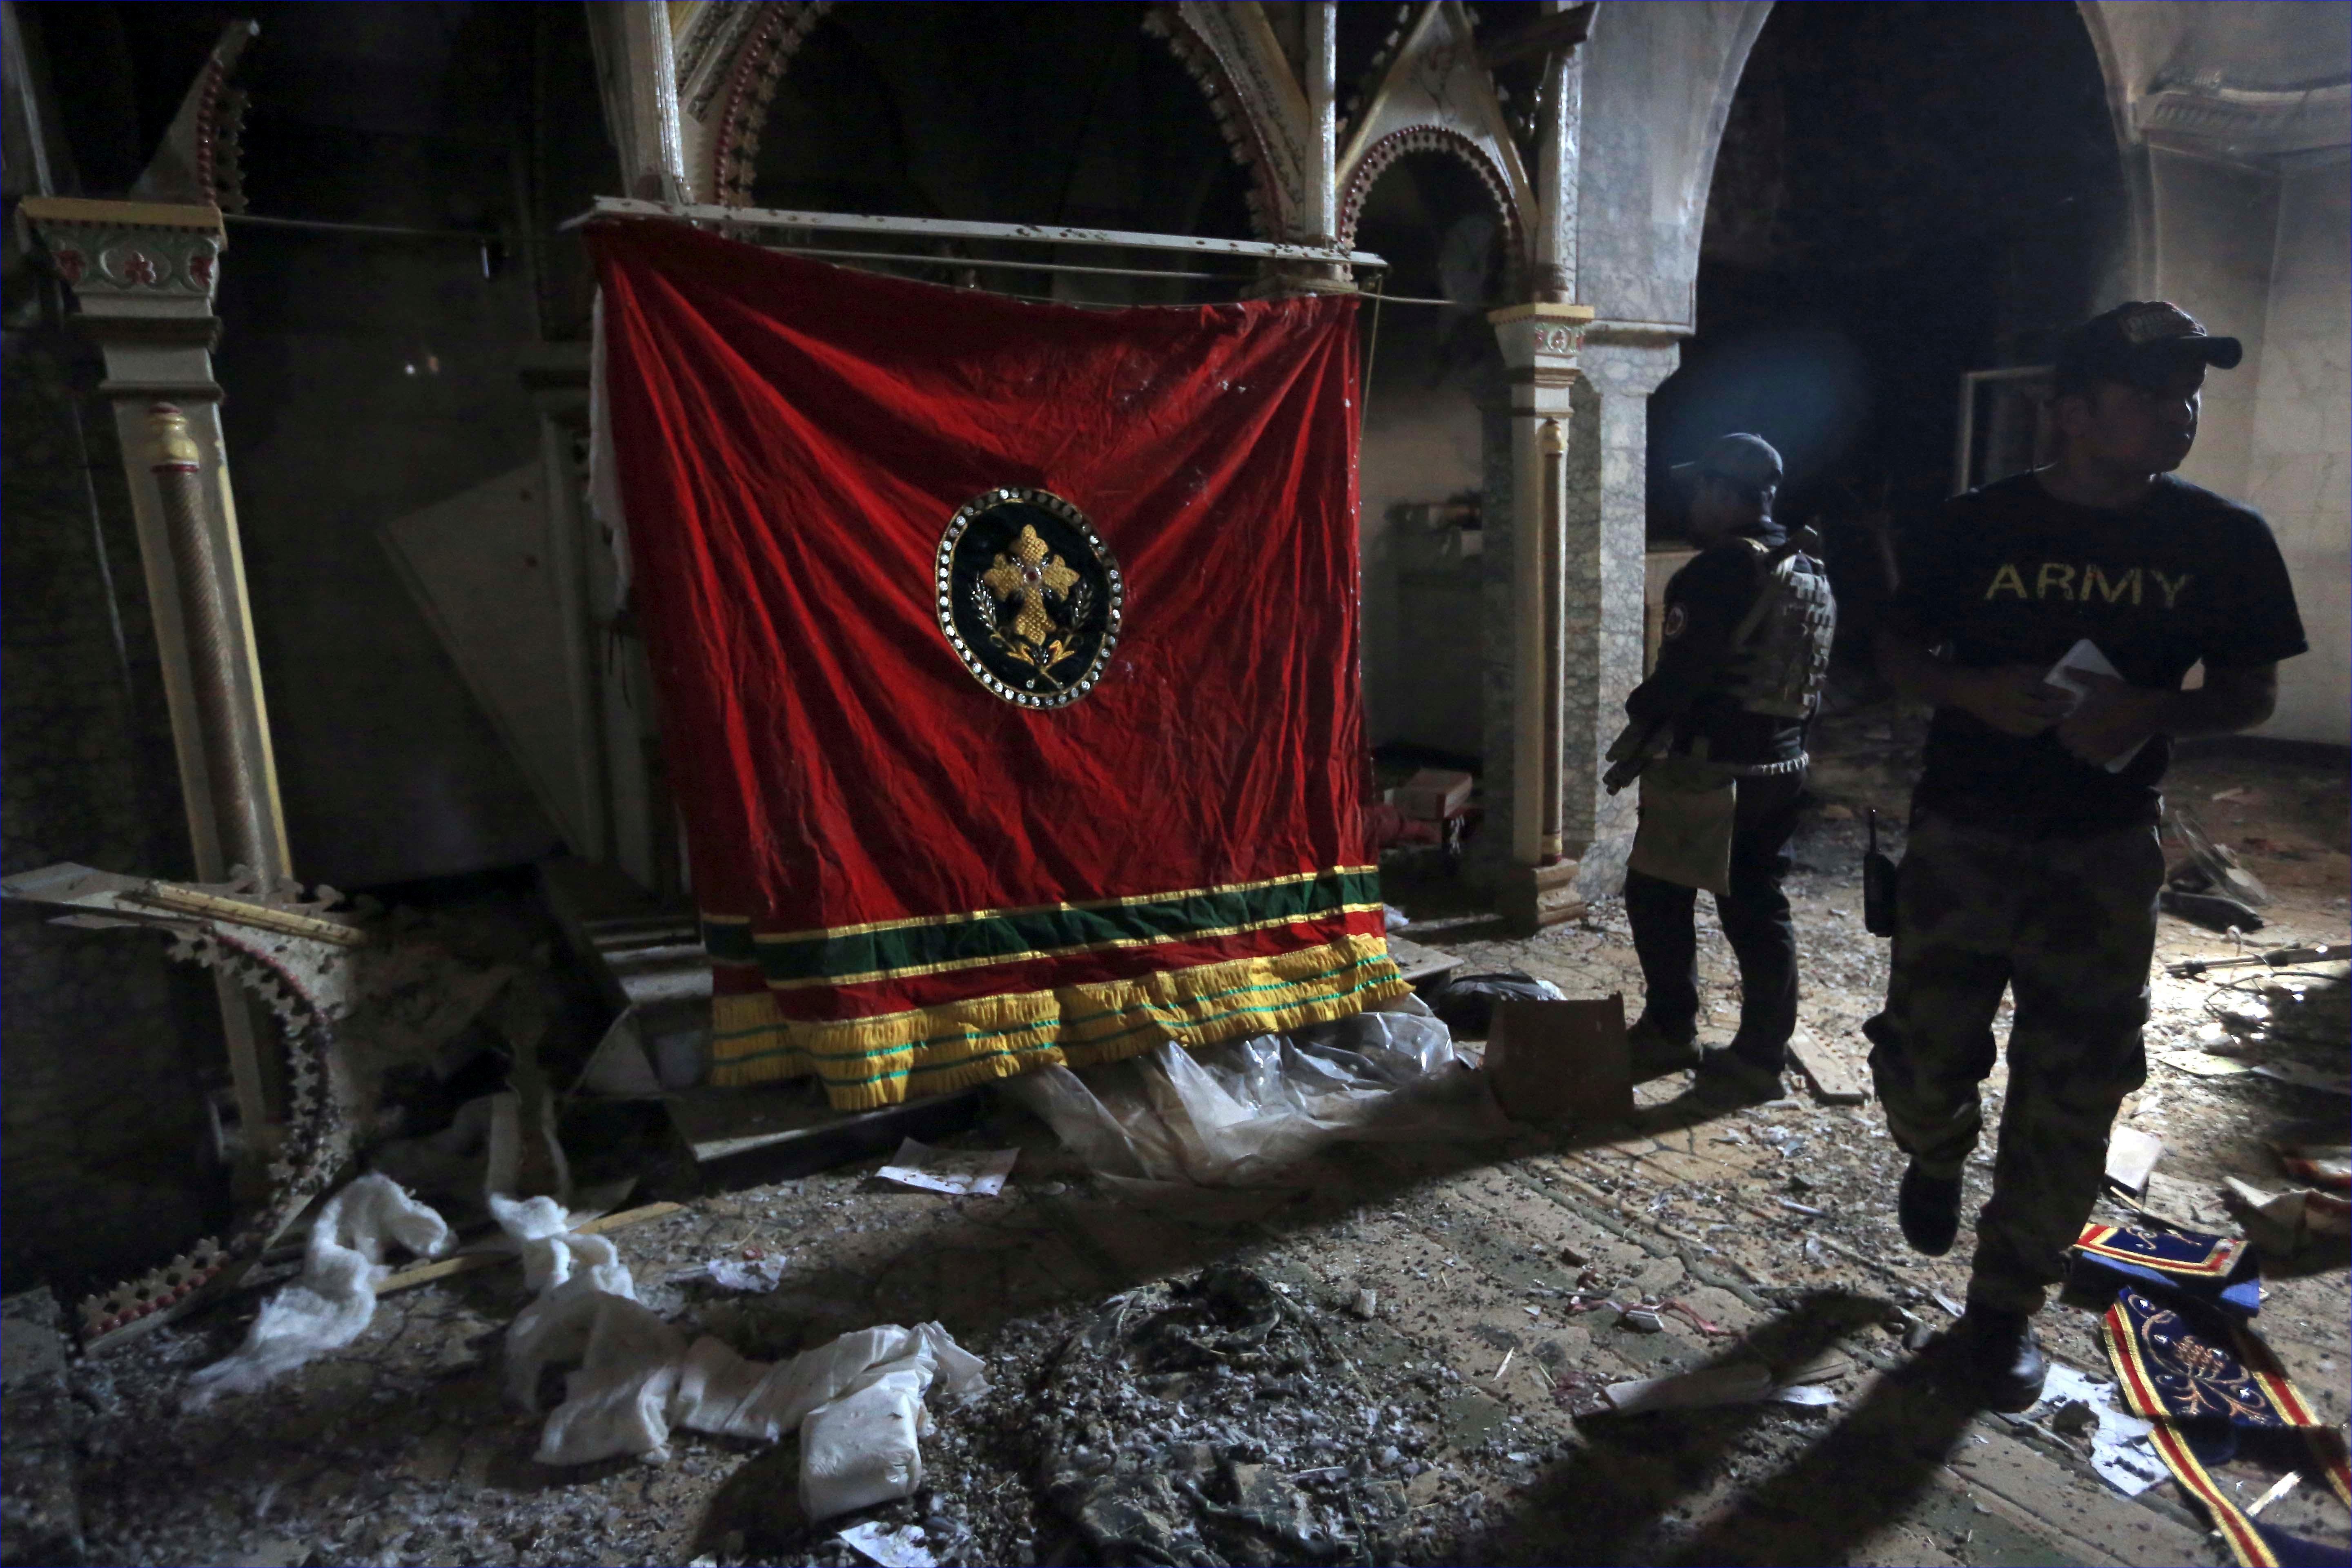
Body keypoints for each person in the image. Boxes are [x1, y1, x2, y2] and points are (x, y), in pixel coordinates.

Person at [1867, 301, 2307, 1410]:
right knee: (1925, 1057)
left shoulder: (2223, 541)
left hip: (2106, 848)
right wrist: (1970, 689)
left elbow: (2250, 695)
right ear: (2070, 413)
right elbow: (1897, 647)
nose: (2180, 414)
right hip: (1965, 830)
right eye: (2151, 394)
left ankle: (2003, 1305)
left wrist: (2146, 711)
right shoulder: (1976, 525)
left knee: (2075, 1083)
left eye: (2188, 394)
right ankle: (1935, 1147)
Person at [1618, 433, 1835, 1103]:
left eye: (1698, 491)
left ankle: (1670, 1028)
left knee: (1656, 891)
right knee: (1757, 907)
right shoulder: (1808, 568)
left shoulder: (1717, 569)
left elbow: (1681, 673)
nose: (1691, 504)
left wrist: (1640, 707)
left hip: (1712, 773)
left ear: (1722, 493)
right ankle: (1759, 1053)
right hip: (1783, 765)